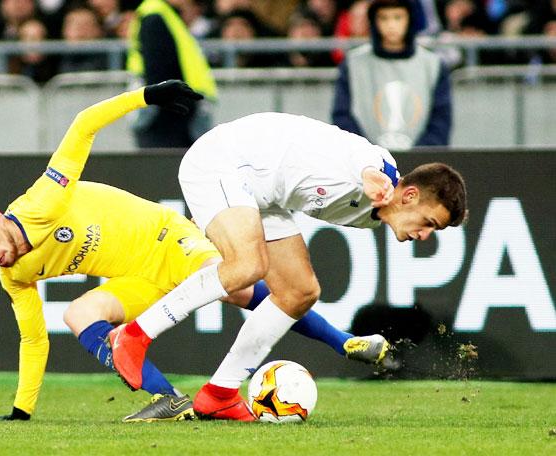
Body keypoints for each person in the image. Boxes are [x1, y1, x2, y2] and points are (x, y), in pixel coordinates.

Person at [0, 80, 391, 423]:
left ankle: (344, 340)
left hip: (167, 240)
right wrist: (22, 411)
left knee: (238, 285)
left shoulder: (43, 201)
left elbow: (83, 125)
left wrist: (148, 95)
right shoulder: (14, 275)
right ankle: (168, 400)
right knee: (76, 315)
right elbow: (32, 339)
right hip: (139, 281)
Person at [108, 112, 468, 421]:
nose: (424, 235)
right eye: (429, 223)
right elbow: (364, 161)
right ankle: (135, 335)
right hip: (224, 162)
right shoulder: (375, 174)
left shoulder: (376, 215)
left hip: (264, 193)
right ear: (408, 196)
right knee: (246, 265)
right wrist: (370, 174)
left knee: (300, 291)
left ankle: (220, 394)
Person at [332, 0, 452, 150]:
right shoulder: (353, 64)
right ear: (374, 21)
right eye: (384, 18)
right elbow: (343, 117)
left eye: (398, 17)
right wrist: (367, 157)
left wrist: (420, 157)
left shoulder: (433, 65)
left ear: (410, 19)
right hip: (365, 166)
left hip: (421, 163)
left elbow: (440, 121)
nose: (391, 25)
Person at [126, 0, 217, 148]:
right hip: (166, 117)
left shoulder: (164, 14)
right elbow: (158, 73)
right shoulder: (156, 16)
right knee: (167, 166)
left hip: (170, 111)